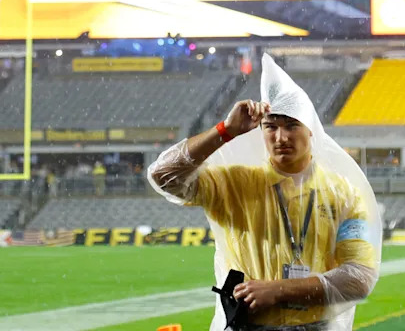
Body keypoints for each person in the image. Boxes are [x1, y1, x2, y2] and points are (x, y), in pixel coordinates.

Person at [149, 54, 381, 331]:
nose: (280, 138)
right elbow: (163, 176)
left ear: (312, 133)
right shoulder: (233, 184)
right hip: (244, 325)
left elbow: (359, 278)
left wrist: (279, 290)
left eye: (292, 125)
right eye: (270, 126)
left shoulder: (345, 195)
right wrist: (225, 130)